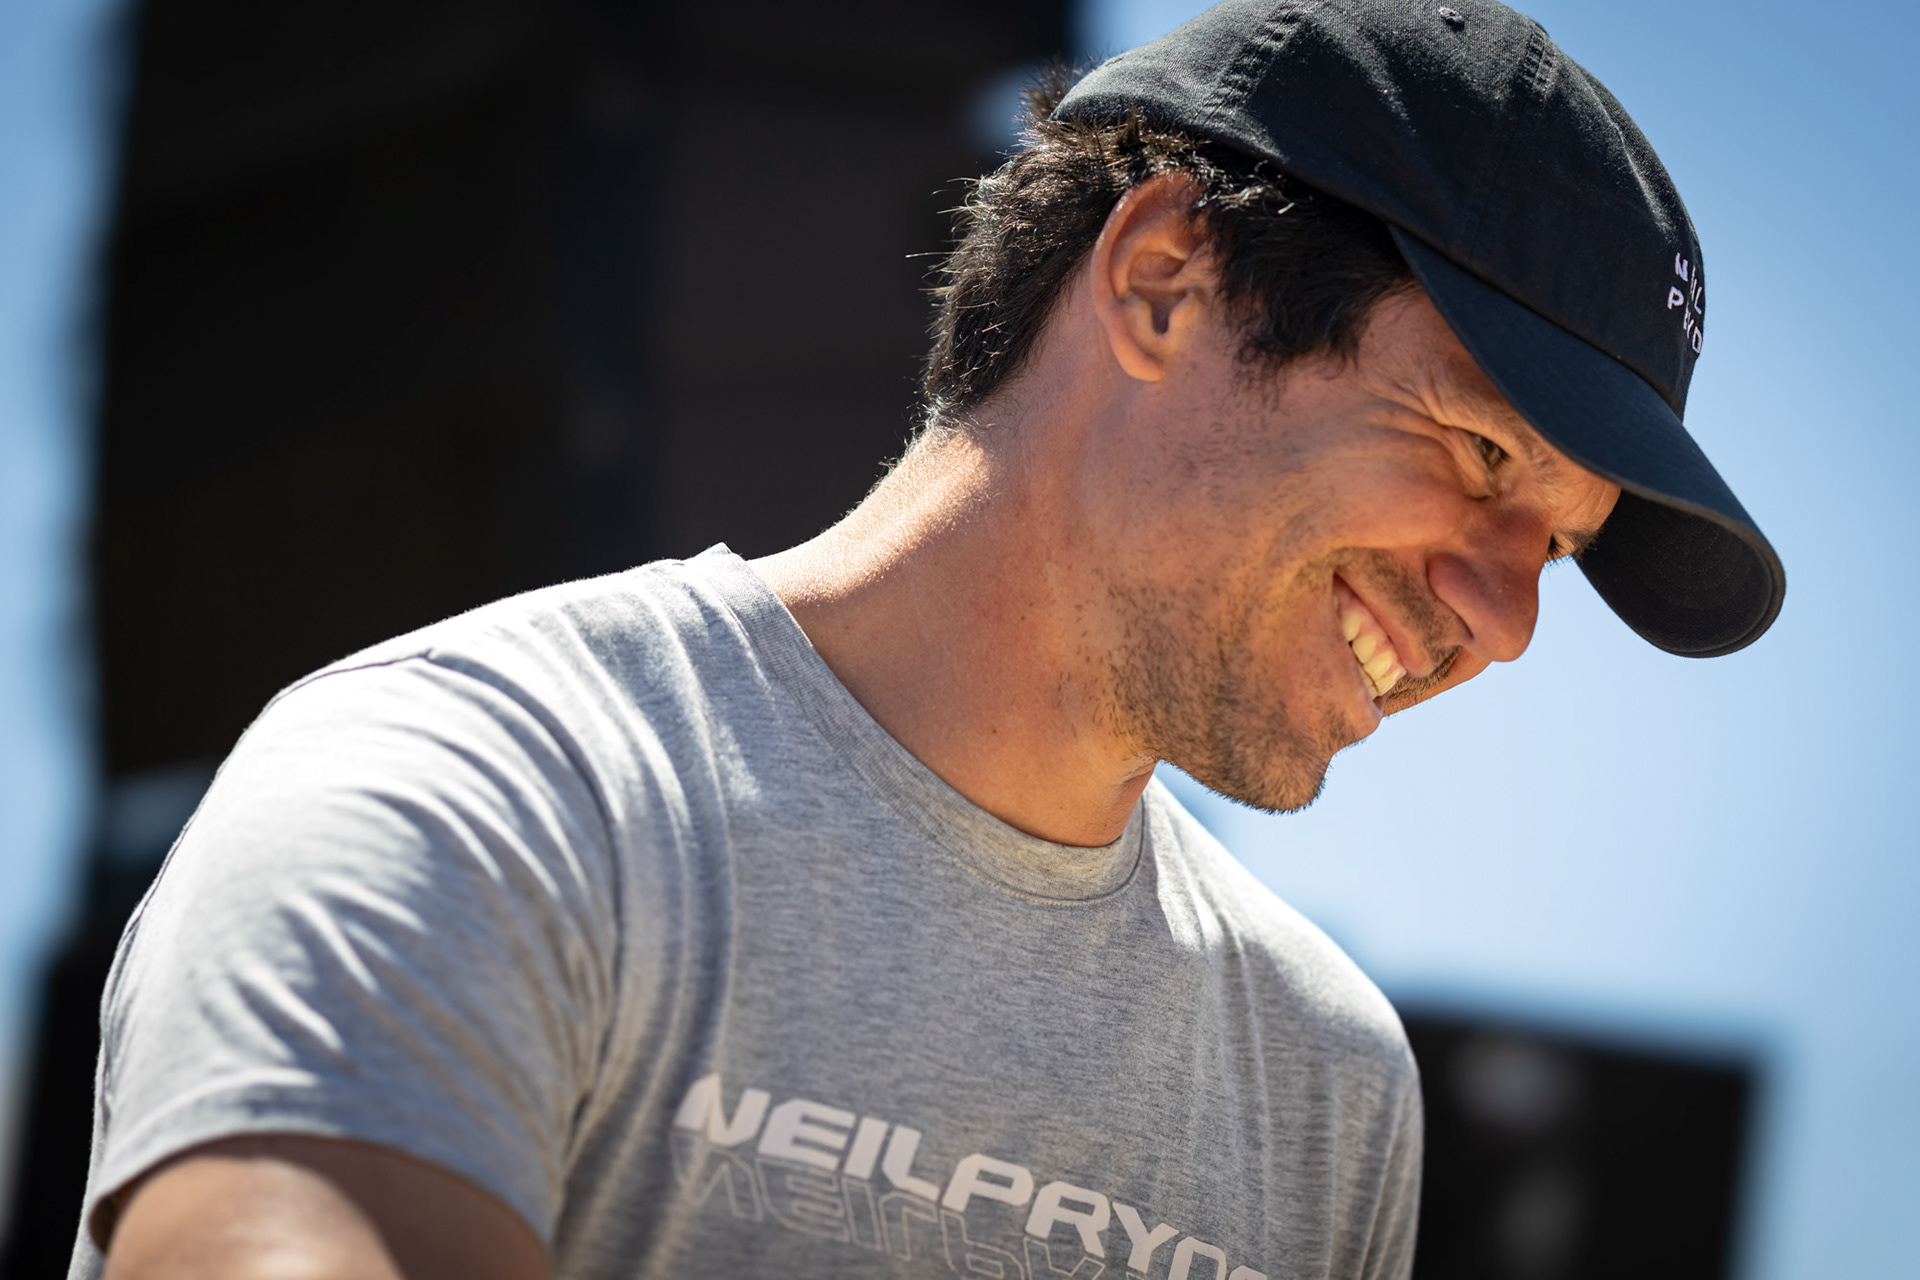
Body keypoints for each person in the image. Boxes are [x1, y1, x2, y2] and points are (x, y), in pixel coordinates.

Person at [70, 1, 1784, 1278]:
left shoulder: (1325, 1079)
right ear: (1164, 280)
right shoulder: (474, 791)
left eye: (1560, 545)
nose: (1507, 618)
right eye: (1478, 456)